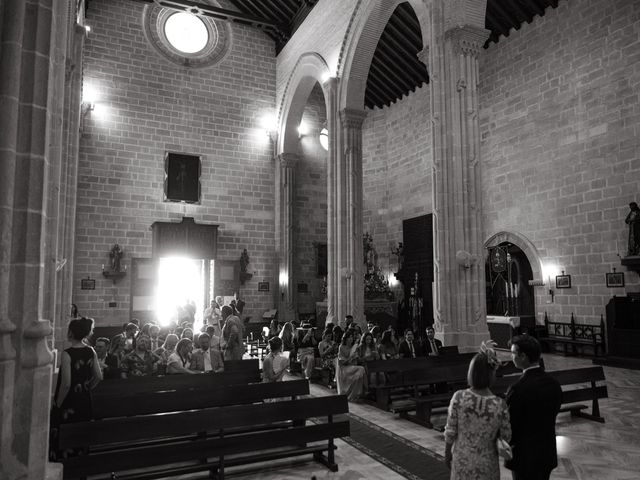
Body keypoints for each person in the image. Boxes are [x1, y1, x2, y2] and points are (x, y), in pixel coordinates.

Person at [444, 342, 511, 479]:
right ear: (492, 373)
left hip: (462, 460)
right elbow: (506, 436)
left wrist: (447, 453)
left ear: (471, 372)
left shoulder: (459, 397)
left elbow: (450, 431)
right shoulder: (499, 404)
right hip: (487, 463)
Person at [506, 335, 562, 480]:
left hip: (524, 457)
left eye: (513, 353)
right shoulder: (554, 384)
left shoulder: (518, 389)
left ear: (523, 356)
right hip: (546, 452)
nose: (511, 357)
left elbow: (511, 425)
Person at [50, 317, 102, 460]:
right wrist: (87, 387)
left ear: (71, 333)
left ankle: (64, 465)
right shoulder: (91, 351)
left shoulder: (67, 354)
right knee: (81, 435)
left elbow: (66, 384)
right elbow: (98, 376)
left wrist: (58, 404)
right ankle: (80, 466)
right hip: (84, 400)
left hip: (69, 402)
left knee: (64, 435)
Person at [335, 330, 367, 401]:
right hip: (344, 368)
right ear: (345, 338)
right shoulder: (342, 347)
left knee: (359, 373)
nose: (351, 339)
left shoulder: (354, 347)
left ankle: (354, 394)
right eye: (349, 337)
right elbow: (342, 362)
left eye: (352, 337)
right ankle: (366, 388)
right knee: (361, 369)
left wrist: (356, 357)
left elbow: (357, 360)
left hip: (352, 366)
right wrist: (351, 357)